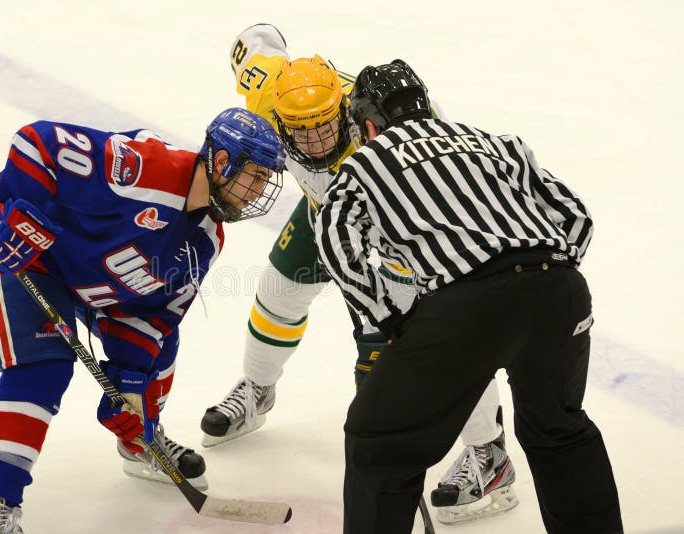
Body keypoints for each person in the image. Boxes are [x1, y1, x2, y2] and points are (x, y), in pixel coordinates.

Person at [199, 23, 518, 523]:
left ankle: (490, 454)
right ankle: (258, 390)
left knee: (441, 339)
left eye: (326, 126)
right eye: (300, 131)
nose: (316, 140)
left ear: (346, 112)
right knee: (279, 290)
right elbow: (258, 39)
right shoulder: (270, 92)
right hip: (326, 211)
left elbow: (447, 177)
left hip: (399, 224)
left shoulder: (389, 126)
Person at [315, 59, 624, 533]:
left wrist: (393, 319)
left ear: (370, 124)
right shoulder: (497, 143)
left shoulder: (364, 163)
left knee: (379, 442)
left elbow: (337, 242)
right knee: (559, 432)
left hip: (465, 310)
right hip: (560, 290)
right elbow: (574, 215)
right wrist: (546, 285)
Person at [0, 107, 286, 533]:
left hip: (91, 282)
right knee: (43, 370)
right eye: (256, 176)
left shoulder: (205, 239)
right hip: (21, 257)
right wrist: (13, 217)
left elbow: (153, 318)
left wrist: (129, 390)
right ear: (223, 163)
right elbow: (38, 144)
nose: (258, 192)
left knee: (160, 352)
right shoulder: (147, 169)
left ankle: (140, 443)